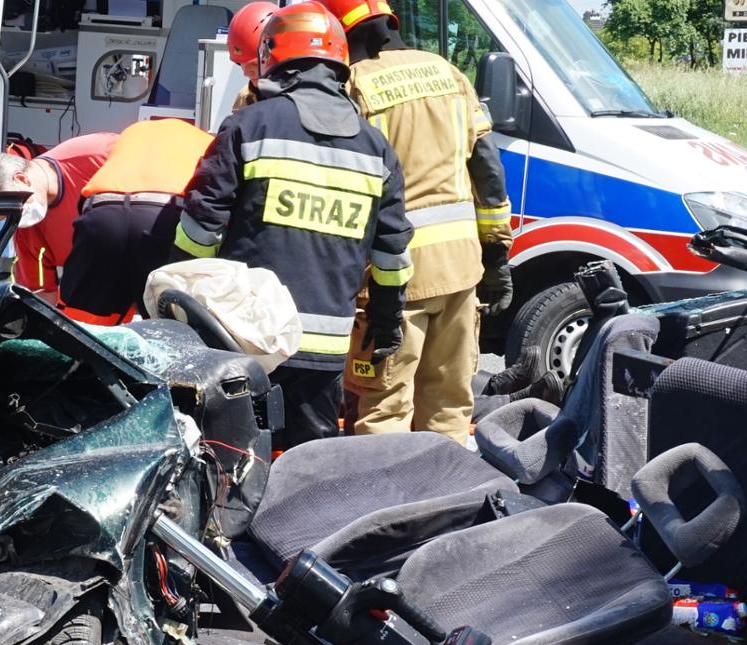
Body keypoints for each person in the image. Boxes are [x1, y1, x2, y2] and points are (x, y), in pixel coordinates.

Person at [175, 2, 414, 450]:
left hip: (246, 339)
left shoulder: (248, 126)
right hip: (325, 351)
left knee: (230, 460)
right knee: (308, 469)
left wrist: (181, 298)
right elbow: (392, 255)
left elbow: (201, 228)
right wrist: (387, 320)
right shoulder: (376, 148)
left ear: (272, 57)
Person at [322, 0, 516, 442]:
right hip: (460, 271)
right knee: (450, 407)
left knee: (383, 408)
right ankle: (448, 487)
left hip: (391, 280)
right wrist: (496, 254)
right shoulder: (449, 73)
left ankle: (383, 490)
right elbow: (487, 168)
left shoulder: (353, 84)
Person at [59, 118, 216, 325]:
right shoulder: (209, 141)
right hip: (163, 217)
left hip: (102, 214)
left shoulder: (131, 132)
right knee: (165, 323)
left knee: (80, 324)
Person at [0, 132, 118, 297]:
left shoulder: (97, 155)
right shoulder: (25, 231)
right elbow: (41, 295)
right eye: (4, 218)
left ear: (22, 179)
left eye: (13, 210)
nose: (16, 220)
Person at [225, 1, 279, 111]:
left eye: (254, 64)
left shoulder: (298, 101)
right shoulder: (245, 98)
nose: (245, 73)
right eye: (241, 64)